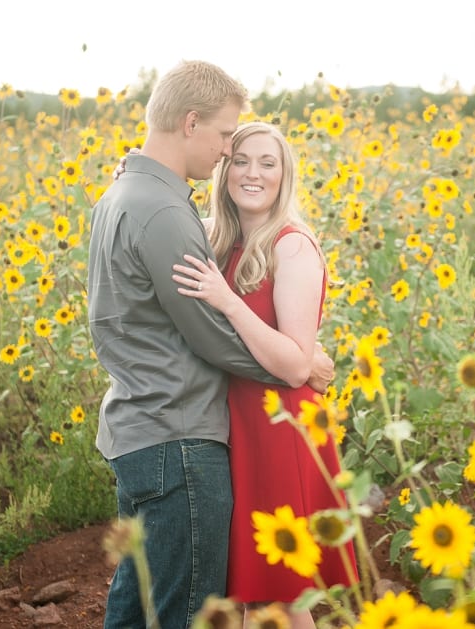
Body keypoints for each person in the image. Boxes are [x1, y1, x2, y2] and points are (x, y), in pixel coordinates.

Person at [87, 61, 333, 629]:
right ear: (191, 123)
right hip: (180, 436)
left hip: (157, 427)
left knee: (143, 597)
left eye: (258, 158)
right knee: (188, 609)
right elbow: (210, 335)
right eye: (227, 139)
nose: (228, 153)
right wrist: (299, 367)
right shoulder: (166, 211)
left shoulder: (128, 194)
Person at [171, 121, 357, 628]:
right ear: (224, 169)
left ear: (284, 175)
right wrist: (131, 172)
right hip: (235, 429)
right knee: (256, 596)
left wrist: (227, 301)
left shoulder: (291, 246)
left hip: (279, 430)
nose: (253, 173)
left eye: (267, 163)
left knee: (283, 597)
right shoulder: (217, 238)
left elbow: (296, 363)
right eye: (242, 160)